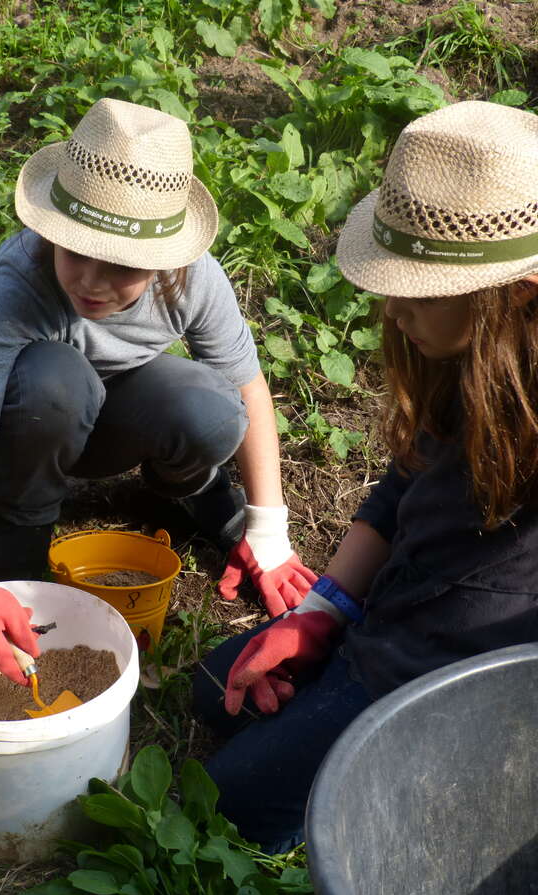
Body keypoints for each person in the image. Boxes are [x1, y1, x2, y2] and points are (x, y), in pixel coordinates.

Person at [193, 100, 538, 854]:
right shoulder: (465, 353)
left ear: (514, 292)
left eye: (413, 291)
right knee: (212, 688)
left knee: (231, 803)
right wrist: (322, 611)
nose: (392, 307)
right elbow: (400, 484)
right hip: (394, 611)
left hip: (458, 668)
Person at [0, 98, 317, 686]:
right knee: (55, 379)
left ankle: (180, 492)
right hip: (33, 422)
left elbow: (247, 386)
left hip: (117, 418)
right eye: (76, 251)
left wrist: (267, 531)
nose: (91, 281)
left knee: (212, 407)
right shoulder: (23, 275)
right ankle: (21, 522)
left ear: (164, 263)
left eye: (121, 266)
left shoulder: (193, 280)